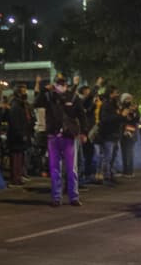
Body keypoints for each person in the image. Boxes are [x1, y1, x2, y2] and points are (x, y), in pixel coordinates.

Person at [35, 73, 83, 207]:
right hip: (53, 136)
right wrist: (44, 89)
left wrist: (82, 132)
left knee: (71, 168)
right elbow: (36, 103)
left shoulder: (73, 97)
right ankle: (57, 197)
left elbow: (81, 114)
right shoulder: (49, 97)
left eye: (62, 84)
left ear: (66, 85)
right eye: (58, 84)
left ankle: (74, 196)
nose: (60, 86)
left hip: (68, 136)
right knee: (55, 169)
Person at [5, 84, 34, 186]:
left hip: (21, 133)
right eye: (22, 92)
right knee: (15, 157)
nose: (25, 93)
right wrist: (21, 133)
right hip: (16, 135)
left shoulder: (22, 105)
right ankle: (15, 178)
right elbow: (15, 121)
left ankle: (19, 176)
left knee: (20, 156)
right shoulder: (15, 105)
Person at [96, 89, 123, 186]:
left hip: (115, 135)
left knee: (113, 157)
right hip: (107, 135)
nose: (117, 94)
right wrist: (119, 116)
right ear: (111, 94)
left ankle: (111, 175)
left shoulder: (115, 105)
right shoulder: (106, 105)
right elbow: (105, 119)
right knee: (107, 157)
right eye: (116, 92)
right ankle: (106, 177)